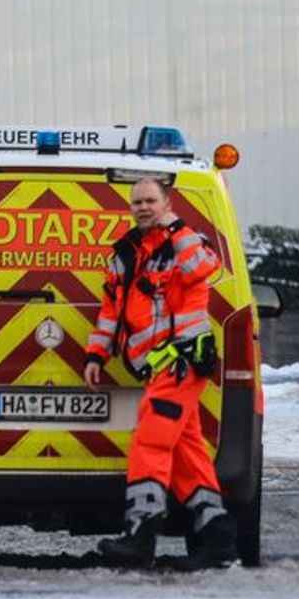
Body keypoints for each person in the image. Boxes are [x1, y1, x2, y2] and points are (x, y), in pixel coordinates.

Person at [84, 176, 237, 569]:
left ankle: (140, 535)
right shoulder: (125, 253)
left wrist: (174, 227)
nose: (143, 207)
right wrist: (96, 356)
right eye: (137, 202)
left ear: (167, 203)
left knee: (149, 443)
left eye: (151, 201)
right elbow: (109, 312)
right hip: (157, 369)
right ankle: (218, 537)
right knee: (187, 454)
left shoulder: (186, 243)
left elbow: (206, 267)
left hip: (181, 362)